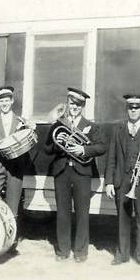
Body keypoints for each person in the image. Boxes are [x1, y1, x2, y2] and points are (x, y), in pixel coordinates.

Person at [44, 87, 106, 263]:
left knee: (82, 213)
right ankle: (63, 250)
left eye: (78, 105)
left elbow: (102, 147)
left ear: (83, 106)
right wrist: (59, 144)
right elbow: (46, 149)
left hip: (82, 173)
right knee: (62, 213)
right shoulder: (57, 124)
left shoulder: (90, 126)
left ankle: (80, 251)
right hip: (62, 172)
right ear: (67, 103)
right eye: (72, 103)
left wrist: (83, 149)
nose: (74, 107)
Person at [104, 94, 140, 267]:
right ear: (127, 109)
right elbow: (111, 158)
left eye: (137, 107)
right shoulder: (118, 129)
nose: (134, 110)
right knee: (122, 219)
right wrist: (108, 182)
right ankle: (122, 254)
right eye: (131, 107)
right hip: (122, 181)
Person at [0, 86, 36, 252]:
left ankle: (11, 241)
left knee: (13, 205)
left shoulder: (21, 121)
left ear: (12, 101)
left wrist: (32, 128)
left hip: (16, 167)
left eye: (6, 100)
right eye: (1, 101)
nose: (4, 103)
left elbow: (30, 141)